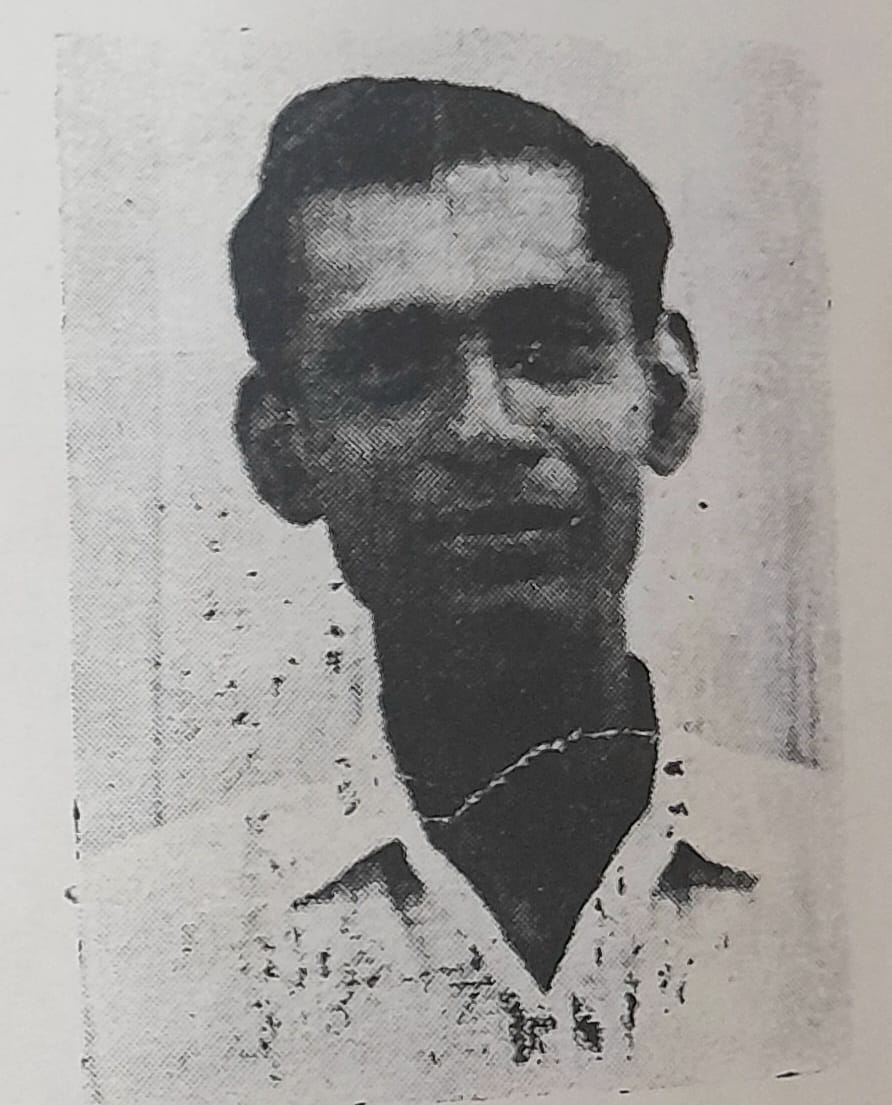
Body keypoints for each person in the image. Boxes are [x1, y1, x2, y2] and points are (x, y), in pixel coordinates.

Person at [80, 77, 833, 1105]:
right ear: (281, 447)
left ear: (663, 394)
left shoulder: (847, 876)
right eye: (391, 367)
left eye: (549, 347)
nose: (485, 427)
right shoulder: (129, 954)